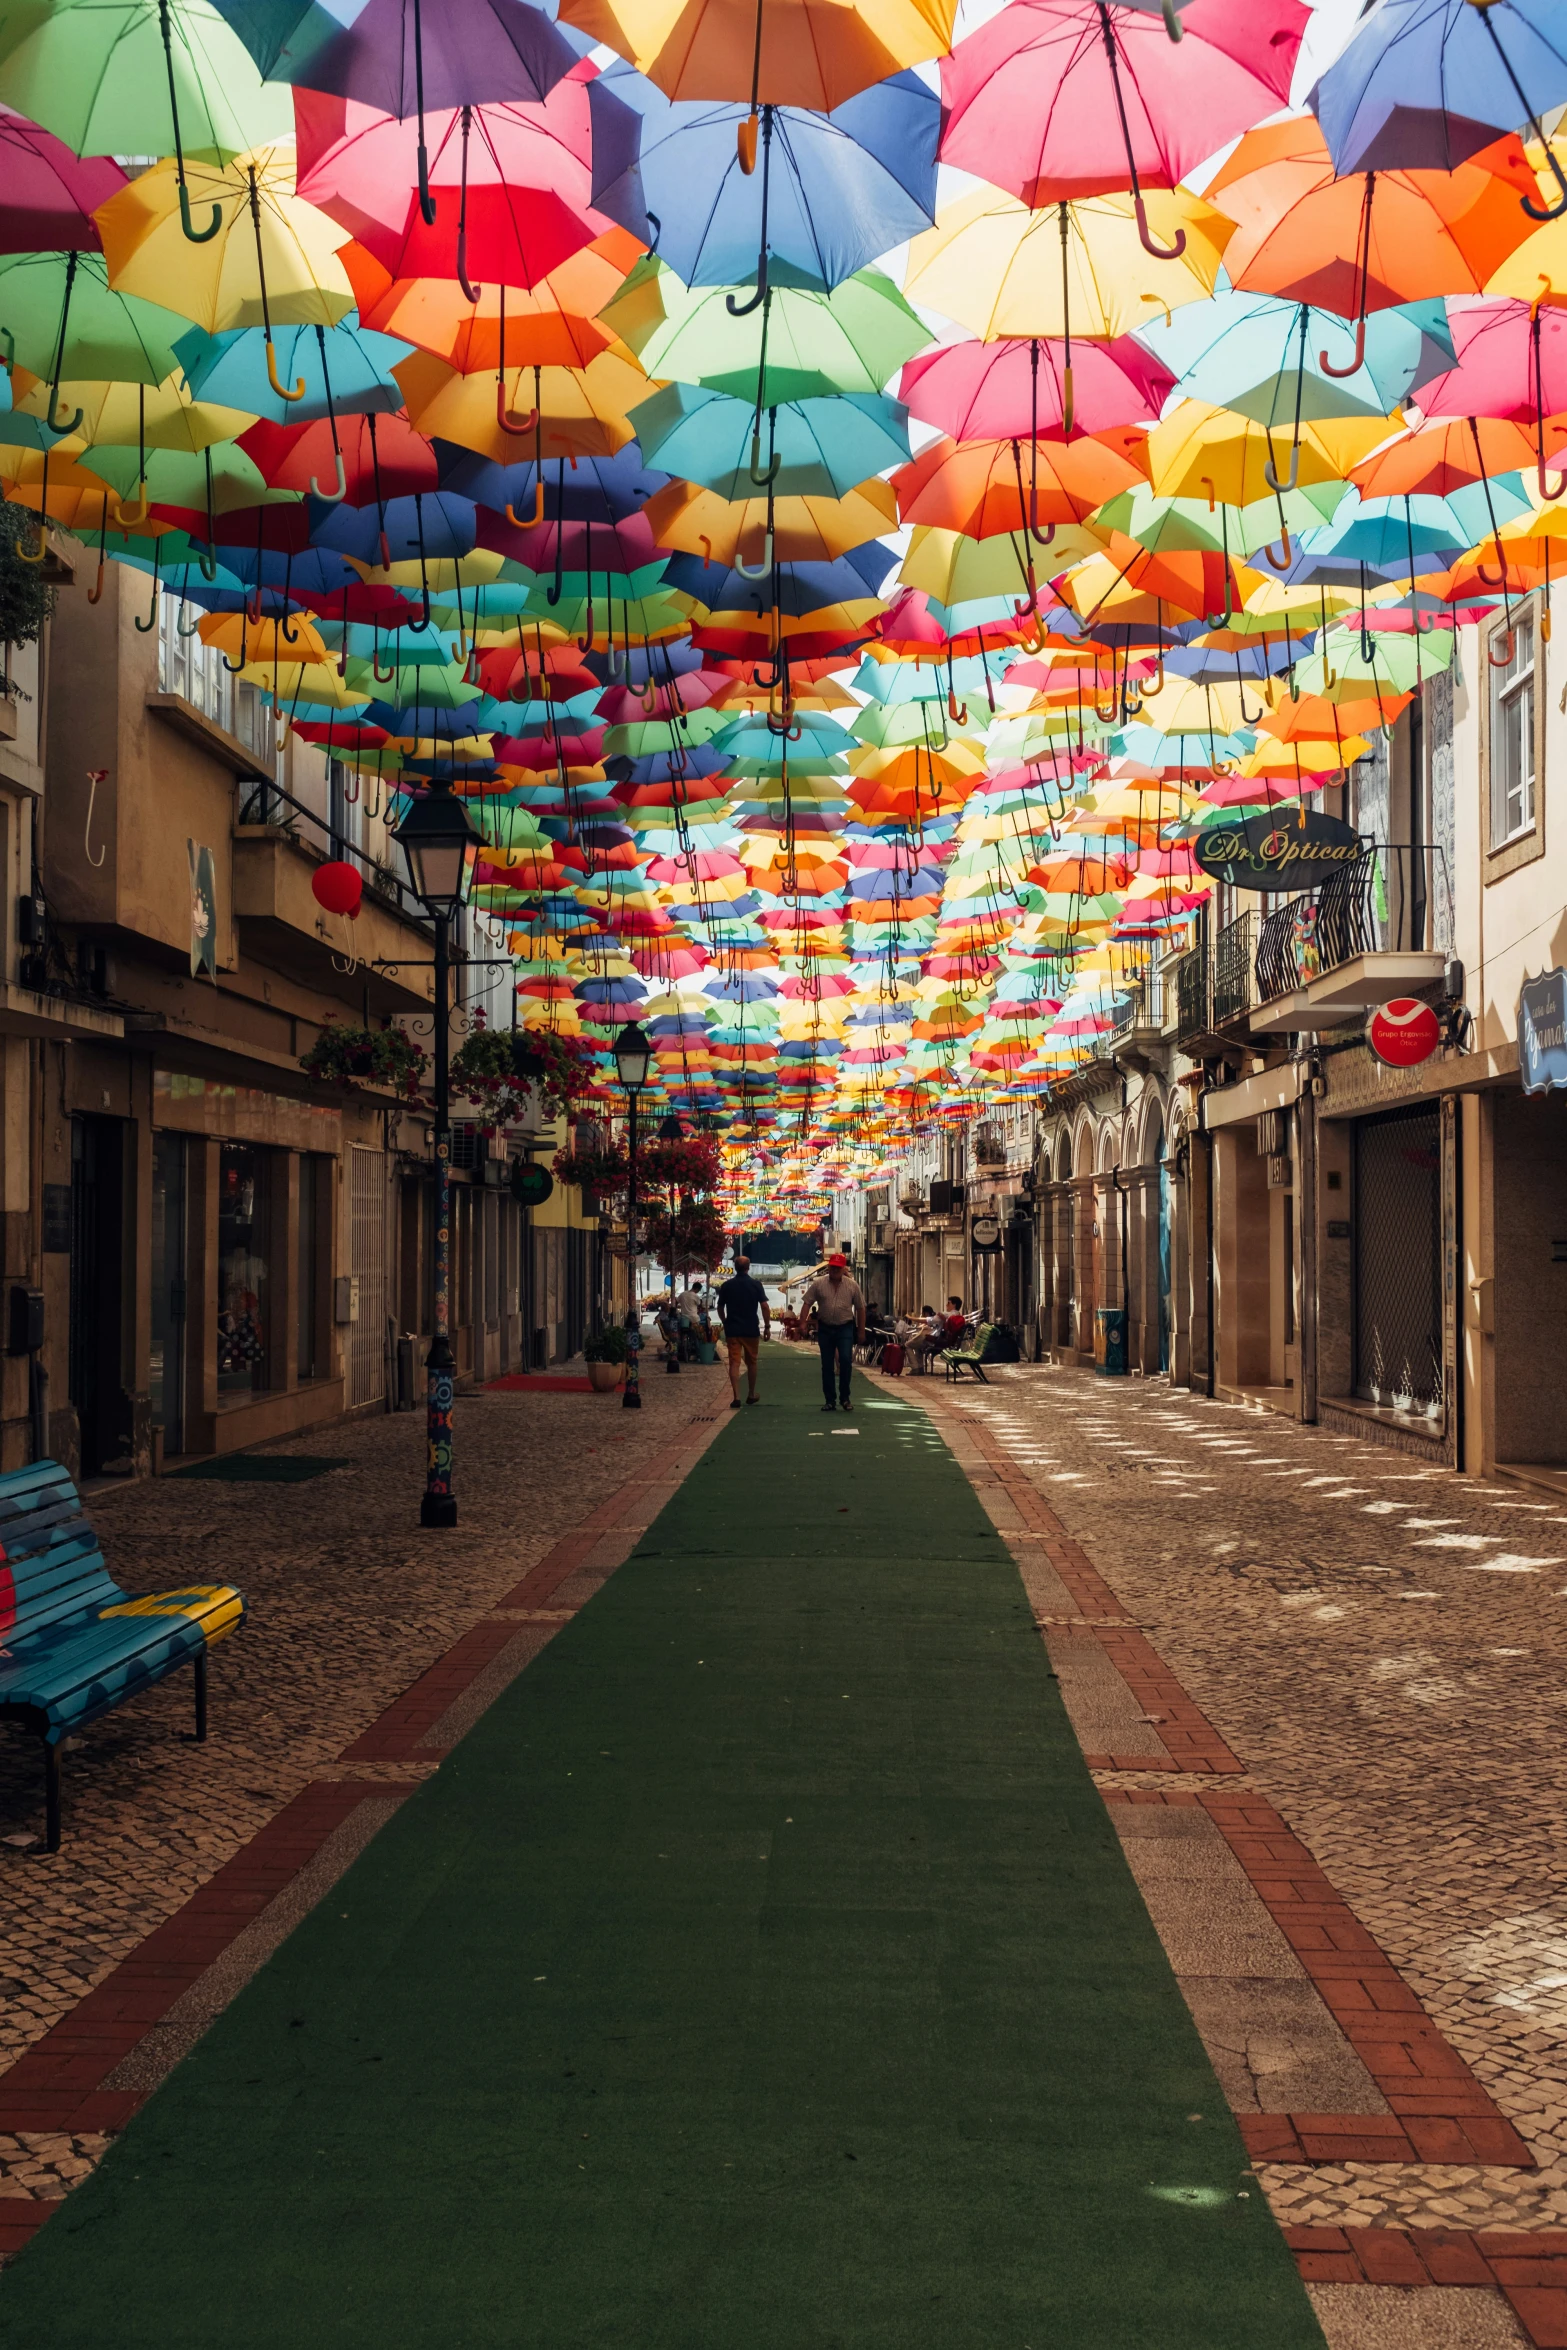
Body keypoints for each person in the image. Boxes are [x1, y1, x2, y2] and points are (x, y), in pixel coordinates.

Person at [801, 1253, 866, 1412]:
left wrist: (861, 1330)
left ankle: (845, 1397)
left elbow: (860, 1308)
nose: (835, 1270)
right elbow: (807, 1303)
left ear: (843, 1268)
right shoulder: (819, 1284)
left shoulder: (852, 1285)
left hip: (845, 1327)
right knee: (827, 1364)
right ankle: (830, 1400)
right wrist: (802, 1323)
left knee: (845, 1360)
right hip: (825, 1327)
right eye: (832, 1267)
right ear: (828, 1267)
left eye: (838, 1267)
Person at [716, 1254, 771, 1408]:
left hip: (732, 1329)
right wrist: (767, 1327)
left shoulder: (727, 1286)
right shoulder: (756, 1285)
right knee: (752, 1362)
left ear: (735, 1267)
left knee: (734, 1363)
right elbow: (765, 1306)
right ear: (748, 1267)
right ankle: (751, 1394)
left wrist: (725, 1321)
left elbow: (720, 1307)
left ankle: (736, 1397)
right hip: (750, 1329)